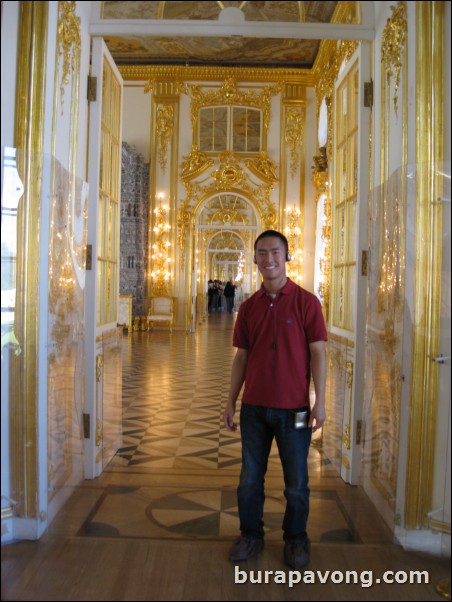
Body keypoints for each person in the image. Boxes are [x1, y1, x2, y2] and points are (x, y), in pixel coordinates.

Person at [223, 230, 327, 569]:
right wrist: (230, 401)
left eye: (275, 252)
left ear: (286, 256)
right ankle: (251, 534)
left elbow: (318, 354)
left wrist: (320, 400)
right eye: (262, 253)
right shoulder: (249, 307)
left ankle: (296, 540)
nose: (269, 259)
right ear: (255, 259)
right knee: (249, 479)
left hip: (294, 409)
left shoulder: (306, 302)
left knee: (297, 481)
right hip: (254, 409)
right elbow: (241, 357)